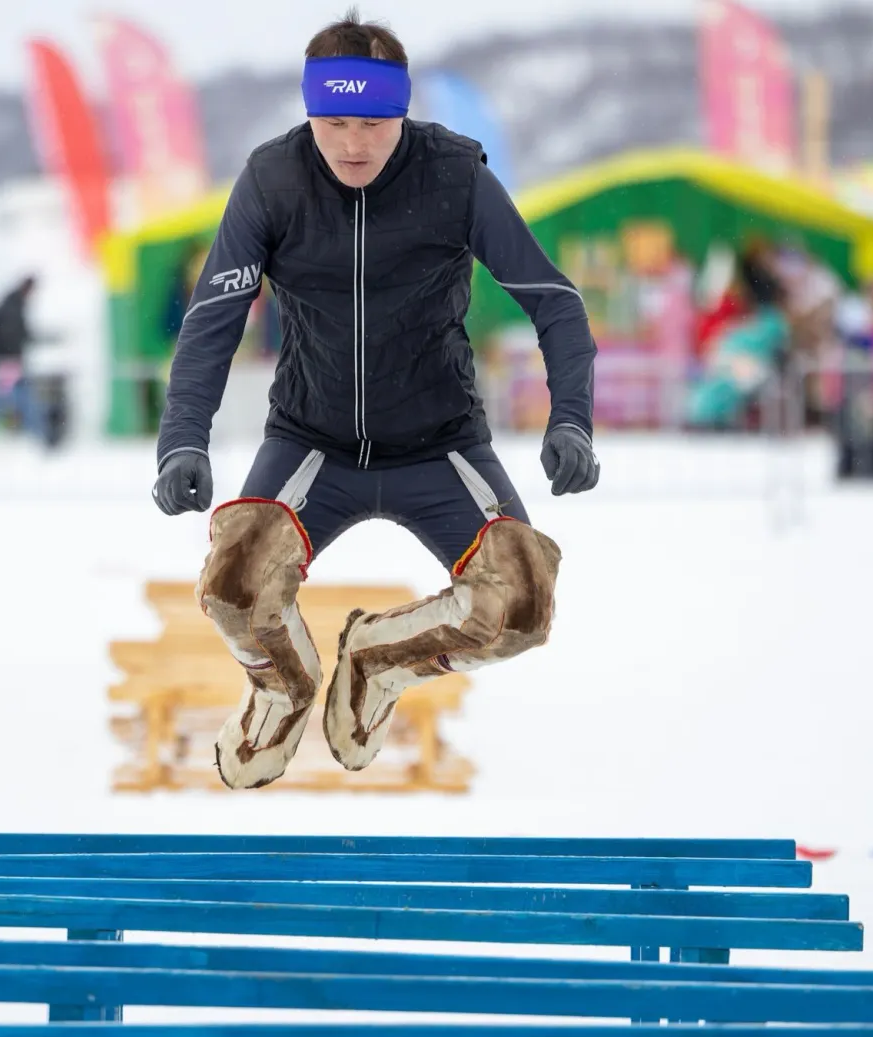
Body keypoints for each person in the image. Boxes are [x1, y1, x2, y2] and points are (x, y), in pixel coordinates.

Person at [150, 11, 599, 790]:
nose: (354, 144)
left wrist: (572, 421)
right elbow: (213, 319)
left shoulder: (455, 176)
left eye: (373, 123)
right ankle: (283, 692)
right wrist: (182, 439)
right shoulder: (272, 180)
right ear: (309, 114)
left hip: (440, 441)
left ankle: (373, 660)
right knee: (232, 586)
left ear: (402, 113)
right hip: (311, 443)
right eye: (333, 123)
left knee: (523, 604)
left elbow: (555, 301)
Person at [0, 276, 52, 457]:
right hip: (9, 364)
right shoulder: (13, 307)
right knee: (21, 400)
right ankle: (43, 437)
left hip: (6, 364)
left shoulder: (10, 304)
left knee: (1, 401)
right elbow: (17, 336)